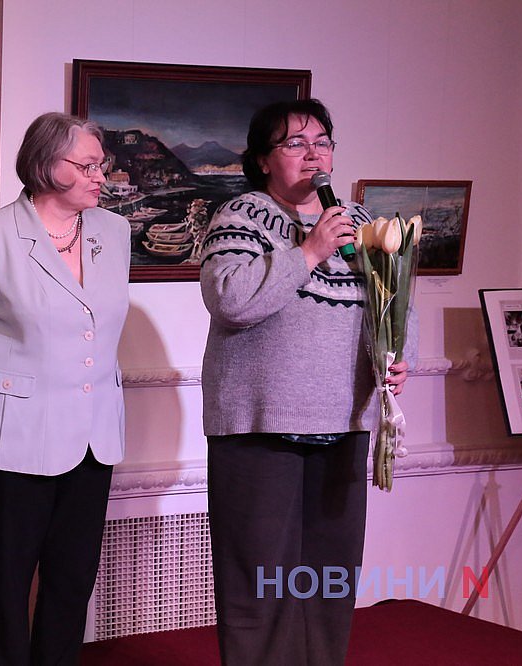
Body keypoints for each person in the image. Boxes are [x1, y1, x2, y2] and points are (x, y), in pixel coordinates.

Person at [199, 99, 410, 665]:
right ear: (263, 159)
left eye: (322, 142)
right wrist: (309, 251)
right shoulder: (240, 217)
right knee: (260, 583)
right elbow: (231, 301)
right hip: (259, 426)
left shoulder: (361, 223)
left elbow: (391, 306)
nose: (313, 153)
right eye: (295, 143)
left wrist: (395, 358)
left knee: (329, 582)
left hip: (344, 422)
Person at [0, 112, 131, 665]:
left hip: (93, 439)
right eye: (87, 166)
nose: (101, 177)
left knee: (72, 581)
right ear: (47, 166)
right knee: (6, 583)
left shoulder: (114, 233)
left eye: (101, 165)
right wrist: (6, 383)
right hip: (11, 441)